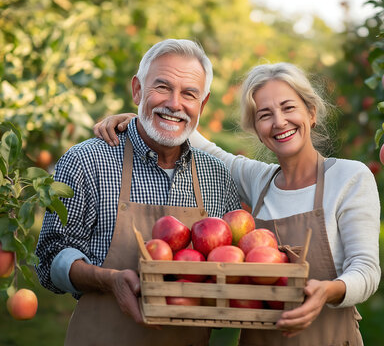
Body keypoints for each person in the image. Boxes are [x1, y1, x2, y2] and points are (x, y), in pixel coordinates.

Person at [94, 62, 381, 345]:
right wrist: (144, 116)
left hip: (326, 338)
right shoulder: (259, 180)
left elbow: (366, 269)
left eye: (289, 108)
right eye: (265, 114)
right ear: (256, 128)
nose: (279, 122)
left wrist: (329, 291)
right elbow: (203, 144)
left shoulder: (349, 177)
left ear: (311, 112)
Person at [35, 39, 241, 346]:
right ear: (136, 90)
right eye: (162, 87)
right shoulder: (87, 161)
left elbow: (228, 265)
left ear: (203, 104)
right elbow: (49, 259)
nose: (174, 103)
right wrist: (108, 280)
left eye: (189, 94)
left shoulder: (217, 176)